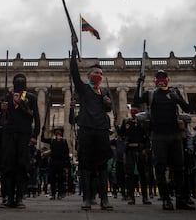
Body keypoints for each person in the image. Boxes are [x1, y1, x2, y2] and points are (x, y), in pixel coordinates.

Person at [134, 70, 194, 210]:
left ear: (168, 79)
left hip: (175, 135)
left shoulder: (174, 92)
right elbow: (136, 101)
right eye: (158, 78)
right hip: (158, 135)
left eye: (163, 78)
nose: (161, 80)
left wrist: (177, 97)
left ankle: (180, 199)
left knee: (179, 168)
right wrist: (139, 83)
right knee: (160, 168)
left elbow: (187, 108)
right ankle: (166, 199)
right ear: (154, 80)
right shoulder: (150, 94)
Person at [70, 49, 113, 211]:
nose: (99, 75)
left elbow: (109, 110)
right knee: (86, 164)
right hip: (86, 128)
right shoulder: (83, 88)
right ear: (88, 75)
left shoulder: (105, 91)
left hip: (101, 129)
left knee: (102, 165)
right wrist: (74, 54)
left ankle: (104, 199)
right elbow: (74, 73)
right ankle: (87, 198)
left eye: (100, 73)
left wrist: (108, 103)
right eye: (96, 72)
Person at [0, 73, 40, 209]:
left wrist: (35, 135)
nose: (20, 83)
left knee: (22, 165)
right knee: (8, 165)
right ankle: (8, 197)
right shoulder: (7, 97)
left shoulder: (31, 98)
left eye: (22, 81)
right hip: (9, 133)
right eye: (17, 81)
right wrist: (2, 110)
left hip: (24, 134)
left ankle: (19, 197)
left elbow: (37, 118)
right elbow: (1, 119)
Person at [118, 108, 151, 205]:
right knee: (129, 174)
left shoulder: (143, 123)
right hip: (130, 150)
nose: (133, 114)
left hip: (140, 150)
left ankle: (145, 197)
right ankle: (131, 197)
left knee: (143, 174)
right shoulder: (126, 122)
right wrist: (125, 140)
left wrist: (146, 149)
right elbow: (120, 134)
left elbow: (147, 136)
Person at [41, 127, 70, 200]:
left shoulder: (64, 141)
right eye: (56, 131)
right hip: (53, 162)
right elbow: (42, 139)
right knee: (52, 179)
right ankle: (53, 194)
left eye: (59, 131)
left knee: (61, 179)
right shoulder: (52, 140)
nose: (58, 132)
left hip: (61, 162)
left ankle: (60, 194)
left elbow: (67, 153)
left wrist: (66, 164)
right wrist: (43, 131)